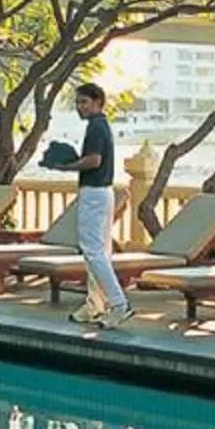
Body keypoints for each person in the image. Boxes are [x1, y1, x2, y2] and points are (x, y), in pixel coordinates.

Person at [67, 80, 130, 325]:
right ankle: (95, 304)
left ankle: (119, 303)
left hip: (94, 193)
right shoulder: (100, 125)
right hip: (102, 193)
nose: (79, 107)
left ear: (97, 103)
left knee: (93, 252)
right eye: (77, 102)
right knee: (100, 252)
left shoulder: (96, 127)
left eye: (83, 102)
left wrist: (67, 166)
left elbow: (93, 160)